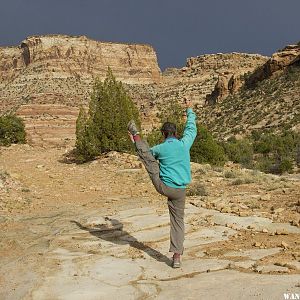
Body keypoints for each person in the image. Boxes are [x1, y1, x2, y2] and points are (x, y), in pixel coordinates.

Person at [127, 98, 197, 268]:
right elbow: (191, 129)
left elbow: (147, 156)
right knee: (178, 221)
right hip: (180, 190)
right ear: (175, 133)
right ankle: (177, 257)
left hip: (164, 187)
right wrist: (189, 109)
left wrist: (137, 143)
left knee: (150, 161)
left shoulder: (160, 148)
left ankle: (136, 135)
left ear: (164, 134)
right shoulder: (184, 143)